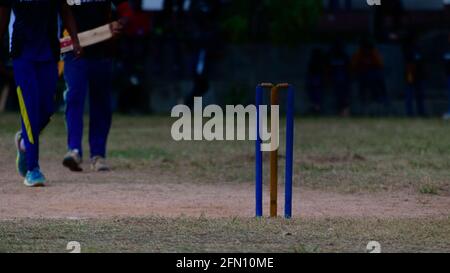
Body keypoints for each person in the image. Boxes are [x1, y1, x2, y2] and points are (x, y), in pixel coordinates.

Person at [0, 0, 81, 187]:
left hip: (49, 54)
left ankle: (23, 143)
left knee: (47, 109)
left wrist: (75, 40)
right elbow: (3, 15)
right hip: (22, 55)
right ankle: (32, 169)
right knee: (29, 109)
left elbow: (65, 10)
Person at [62, 0, 133, 172]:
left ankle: (98, 155)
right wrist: (74, 39)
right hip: (74, 50)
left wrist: (119, 24)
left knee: (101, 103)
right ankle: (74, 151)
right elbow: (60, 11)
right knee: (74, 97)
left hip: (103, 50)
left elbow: (127, 13)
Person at [351, 38, 388, 115]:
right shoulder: (359, 53)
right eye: (365, 48)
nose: (367, 50)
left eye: (368, 48)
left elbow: (381, 64)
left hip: (373, 74)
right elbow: (354, 65)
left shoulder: (374, 52)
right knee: (365, 80)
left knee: (377, 77)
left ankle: (380, 97)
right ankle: (364, 98)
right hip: (363, 74)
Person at [403, 34, 426, 117]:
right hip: (411, 75)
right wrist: (409, 78)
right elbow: (409, 64)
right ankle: (409, 113)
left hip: (419, 76)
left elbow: (422, 63)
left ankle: (421, 112)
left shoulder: (419, 49)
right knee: (410, 95)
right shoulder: (408, 49)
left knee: (420, 95)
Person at [328, 41, 351, 116]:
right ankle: (342, 112)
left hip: (344, 80)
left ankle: (345, 112)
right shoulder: (332, 57)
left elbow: (349, 68)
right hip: (336, 80)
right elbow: (329, 69)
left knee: (344, 97)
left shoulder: (344, 57)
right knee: (338, 96)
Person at [306, 48, 327, 115]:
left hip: (316, 80)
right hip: (316, 80)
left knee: (316, 97)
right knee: (316, 97)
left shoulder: (314, 61)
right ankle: (316, 109)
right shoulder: (320, 61)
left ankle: (316, 109)